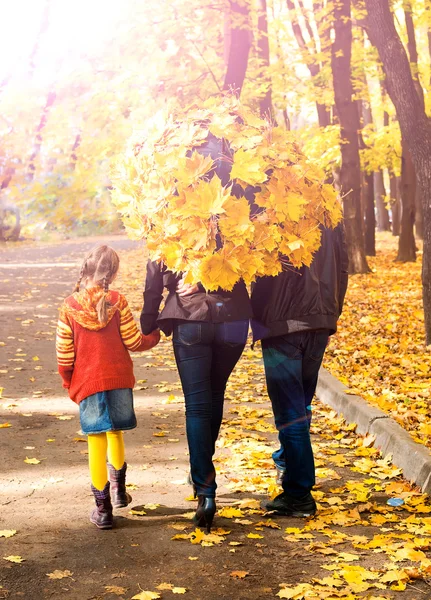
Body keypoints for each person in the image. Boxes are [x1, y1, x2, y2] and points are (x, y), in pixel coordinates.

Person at [56, 245, 160, 529]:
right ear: (112, 273)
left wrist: (69, 381)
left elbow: (65, 354)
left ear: (85, 268)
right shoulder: (118, 301)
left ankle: (102, 510)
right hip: (118, 378)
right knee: (114, 431)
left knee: (95, 439)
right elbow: (134, 342)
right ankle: (118, 493)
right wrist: (155, 336)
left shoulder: (69, 306)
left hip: (88, 382)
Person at [251, 224, 348, 517]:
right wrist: (332, 313)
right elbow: (342, 267)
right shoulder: (329, 210)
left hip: (283, 325)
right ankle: (286, 461)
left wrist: (256, 319)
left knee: (290, 412)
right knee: (300, 405)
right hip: (320, 320)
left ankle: (299, 493)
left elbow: (262, 272)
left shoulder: (274, 208)